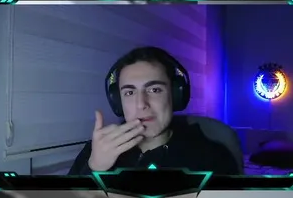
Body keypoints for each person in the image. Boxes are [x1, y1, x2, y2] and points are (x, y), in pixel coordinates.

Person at [68, 47, 241, 175]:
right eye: (129, 92)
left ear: (175, 95)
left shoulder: (211, 157)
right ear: (118, 102)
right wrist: (94, 168)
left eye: (154, 90)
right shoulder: (97, 150)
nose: (141, 104)